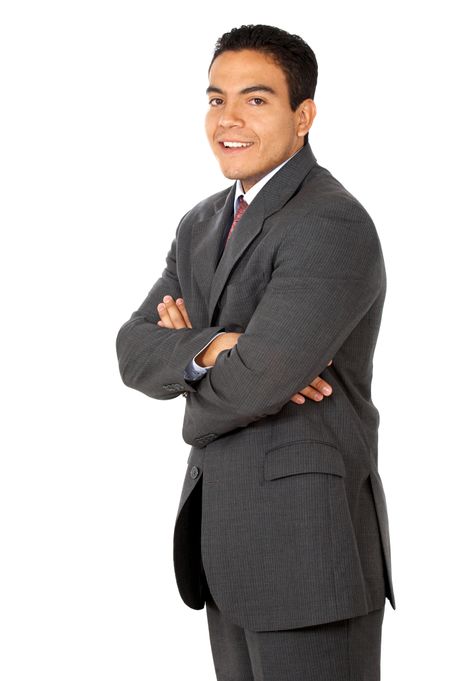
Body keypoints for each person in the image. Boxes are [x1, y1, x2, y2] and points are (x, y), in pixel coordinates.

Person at [116, 23, 396, 681]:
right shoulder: (201, 223)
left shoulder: (331, 222)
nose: (228, 119)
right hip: (227, 543)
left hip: (309, 551)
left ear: (305, 115)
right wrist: (219, 345)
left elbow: (258, 383)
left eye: (256, 99)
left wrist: (214, 373)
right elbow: (132, 350)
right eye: (216, 99)